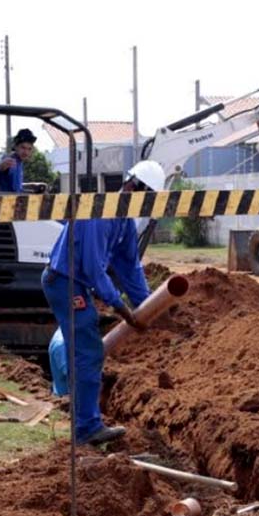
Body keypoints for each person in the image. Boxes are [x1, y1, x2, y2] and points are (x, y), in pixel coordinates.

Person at [41, 160, 166, 445]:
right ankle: (87, 428)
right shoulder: (101, 213)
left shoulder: (124, 222)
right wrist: (122, 309)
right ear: (133, 186)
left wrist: (147, 305)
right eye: (145, 198)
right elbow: (94, 269)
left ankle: (86, 420)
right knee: (88, 349)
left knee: (88, 348)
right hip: (64, 282)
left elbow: (130, 268)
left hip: (76, 283)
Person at [0, 128, 37, 192]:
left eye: (29, 149)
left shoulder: (19, 162)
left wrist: (33, 187)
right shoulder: (10, 161)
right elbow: (1, 169)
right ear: (16, 146)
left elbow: (17, 188)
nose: (26, 152)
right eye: (23, 148)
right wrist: (1, 168)